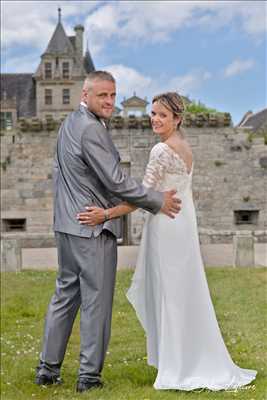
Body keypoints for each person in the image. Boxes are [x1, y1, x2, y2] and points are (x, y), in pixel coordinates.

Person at [78, 92, 257, 391]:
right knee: (185, 291)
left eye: (162, 115)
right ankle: (188, 357)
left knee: (170, 293)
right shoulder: (186, 148)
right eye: (153, 113)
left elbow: (141, 197)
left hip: (166, 227)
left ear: (177, 119)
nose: (155, 119)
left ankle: (178, 366)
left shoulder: (161, 150)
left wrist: (105, 214)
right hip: (183, 226)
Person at [35, 72, 181, 393]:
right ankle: (89, 377)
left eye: (113, 95)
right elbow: (116, 180)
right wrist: (156, 199)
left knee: (65, 296)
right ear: (85, 94)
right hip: (91, 227)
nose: (110, 102)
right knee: (96, 303)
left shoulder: (70, 123)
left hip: (68, 225)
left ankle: (47, 369)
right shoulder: (90, 129)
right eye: (103, 96)